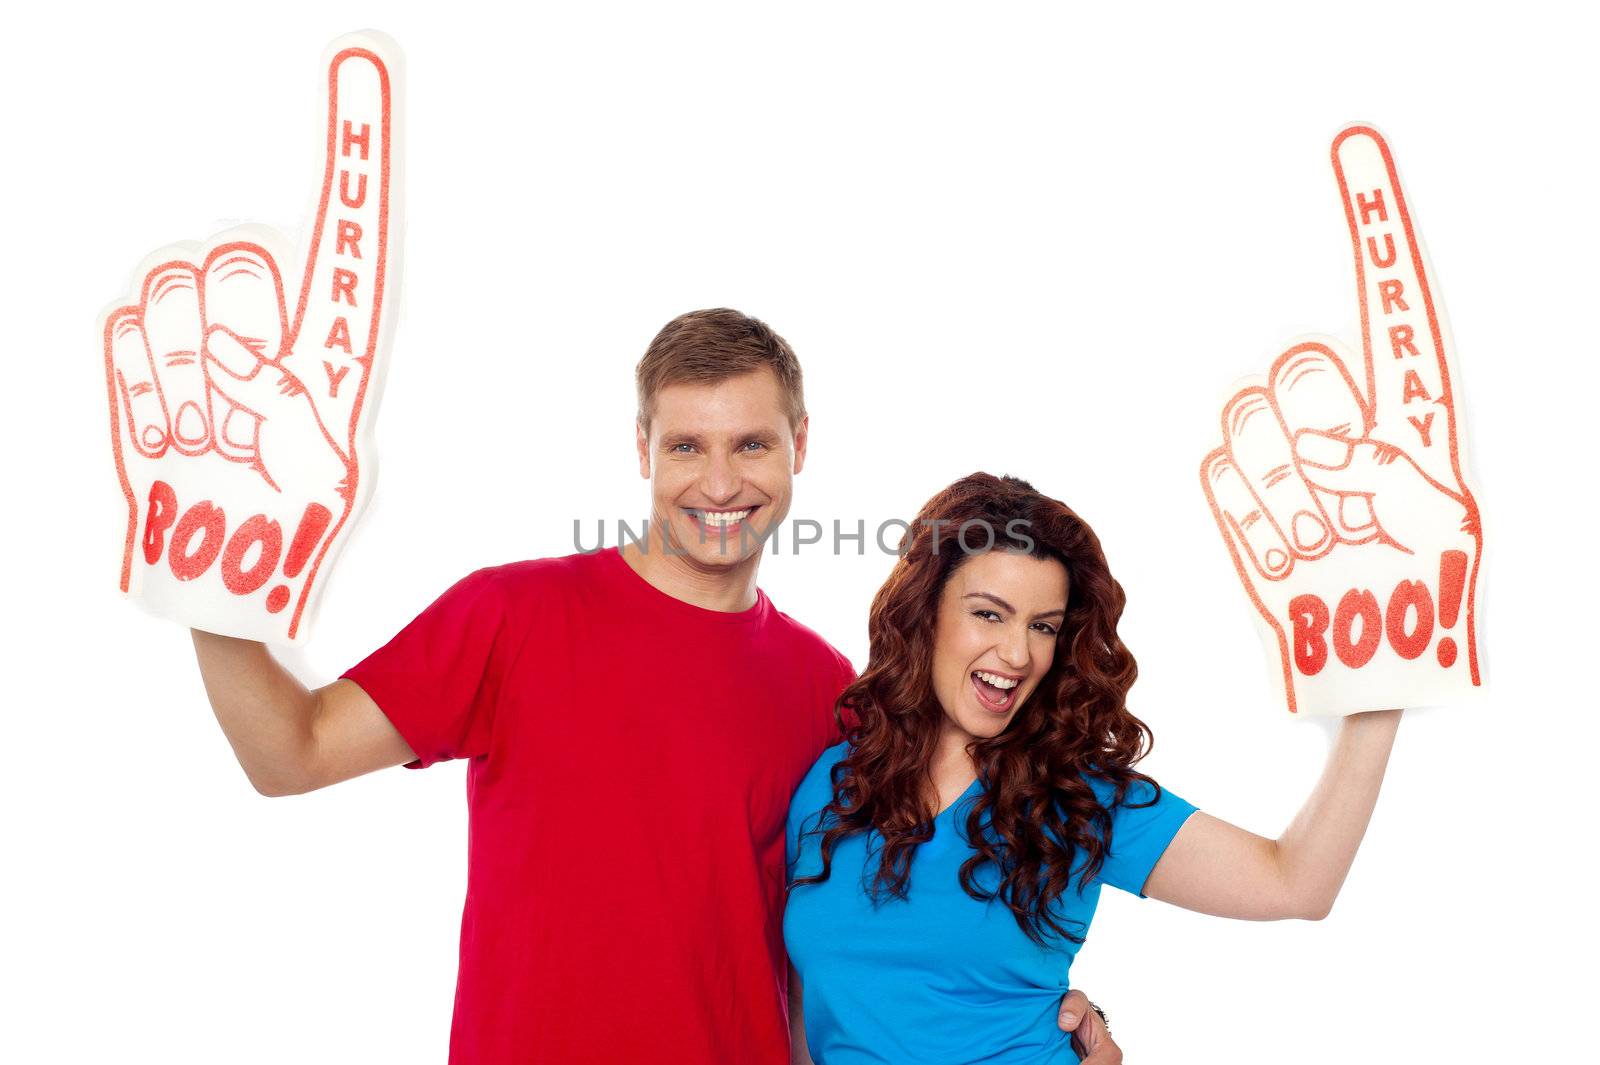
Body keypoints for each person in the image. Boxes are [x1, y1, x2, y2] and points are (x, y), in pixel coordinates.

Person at [188, 311, 1121, 1064]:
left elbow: (859, 940)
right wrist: (204, 574)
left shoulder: (826, 688)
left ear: (800, 444)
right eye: (686, 446)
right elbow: (290, 752)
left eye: (752, 444)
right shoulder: (511, 616)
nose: (720, 481)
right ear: (642, 448)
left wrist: (1028, 1013)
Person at [785, 472, 1402, 1064]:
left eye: (1043, 627)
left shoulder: (1078, 797)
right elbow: (805, 1012)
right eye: (989, 614)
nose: (1018, 653)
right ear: (927, 614)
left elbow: (1295, 883)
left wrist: (1380, 698)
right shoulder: (832, 784)